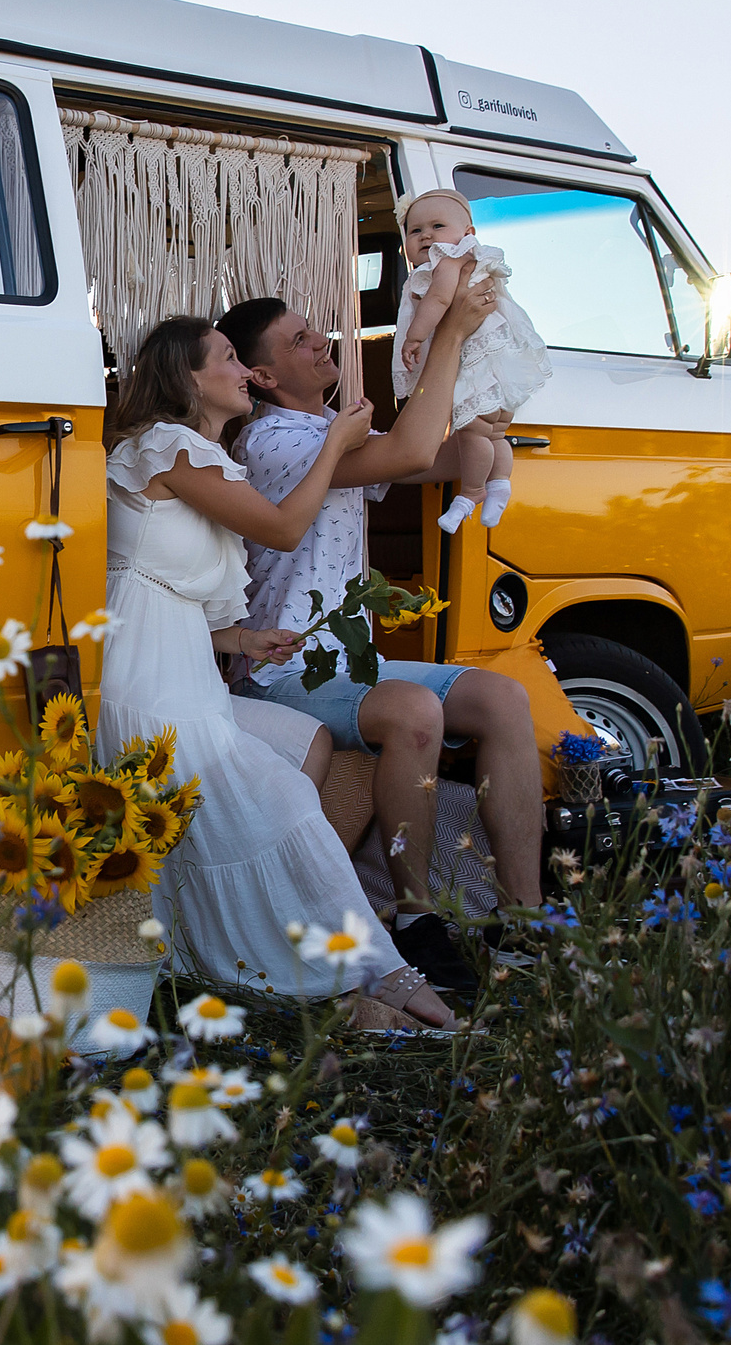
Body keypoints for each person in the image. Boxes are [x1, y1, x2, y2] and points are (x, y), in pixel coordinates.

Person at [101, 315, 455, 1029]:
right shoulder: (164, 448)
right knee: (284, 800)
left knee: (296, 759)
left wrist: (243, 635)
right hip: (148, 687)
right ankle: (374, 977)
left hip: (186, 675)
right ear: (189, 378)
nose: (242, 373)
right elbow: (285, 528)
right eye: (229, 359)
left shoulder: (201, 459)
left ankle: (329, 973)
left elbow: (170, 588)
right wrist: (335, 443)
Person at [217, 293, 546, 988]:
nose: (320, 341)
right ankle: (415, 916)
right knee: (414, 711)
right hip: (285, 669)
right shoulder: (273, 441)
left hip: (346, 661)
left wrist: (486, 423)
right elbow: (411, 449)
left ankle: (527, 923)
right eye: (300, 339)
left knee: (503, 698)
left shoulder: (329, 426)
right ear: (267, 377)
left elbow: (436, 457)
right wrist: (449, 330)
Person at [391, 188, 552, 533]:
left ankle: (472, 492)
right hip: (500, 364)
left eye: (437, 226)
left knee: (472, 431)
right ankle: (499, 485)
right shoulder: (473, 260)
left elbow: (438, 299)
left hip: (477, 363)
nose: (427, 236)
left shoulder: (449, 260)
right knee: (496, 433)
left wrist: (414, 337)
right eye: (415, 230)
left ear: (468, 234)